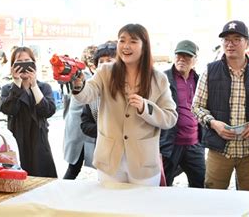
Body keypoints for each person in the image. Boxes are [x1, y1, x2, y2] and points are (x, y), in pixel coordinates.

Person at [72, 24, 177, 186]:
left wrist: (145, 107)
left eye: (133, 41)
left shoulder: (159, 79)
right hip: (110, 161)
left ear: (144, 46)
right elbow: (87, 94)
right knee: (111, 209)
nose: (126, 46)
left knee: (142, 210)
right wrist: (78, 84)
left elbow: (170, 118)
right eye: (122, 40)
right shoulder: (105, 72)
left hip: (144, 162)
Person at [192, 20, 249, 191]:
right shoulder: (210, 71)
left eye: (236, 39)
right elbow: (196, 107)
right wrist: (213, 123)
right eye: (226, 40)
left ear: (247, 43)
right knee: (213, 198)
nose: (230, 44)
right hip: (219, 150)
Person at [0, 47, 57, 178]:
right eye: (19, 62)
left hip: (39, 140)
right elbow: (9, 109)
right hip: (16, 139)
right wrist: (17, 84)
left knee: (42, 179)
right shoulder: (7, 88)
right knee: (17, 180)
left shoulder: (44, 87)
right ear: (13, 66)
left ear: (34, 65)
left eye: (27, 61)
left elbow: (47, 111)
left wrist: (34, 86)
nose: (23, 66)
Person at [160, 40, 205, 187]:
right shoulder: (162, 78)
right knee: (164, 185)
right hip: (170, 144)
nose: (181, 59)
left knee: (200, 185)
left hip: (194, 144)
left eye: (187, 56)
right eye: (179, 55)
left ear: (195, 60)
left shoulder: (200, 80)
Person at [74, 41, 118, 175]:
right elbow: (85, 124)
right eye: (101, 61)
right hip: (105, 154)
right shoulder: (92, 92)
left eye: (109, 60)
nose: (104, 65)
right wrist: (105, 130)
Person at [63, 44, 98, 179]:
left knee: (74, 168)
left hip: (78, 129)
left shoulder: (87, 76)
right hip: (80, 130)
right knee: (74, 168)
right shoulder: (86, 78)